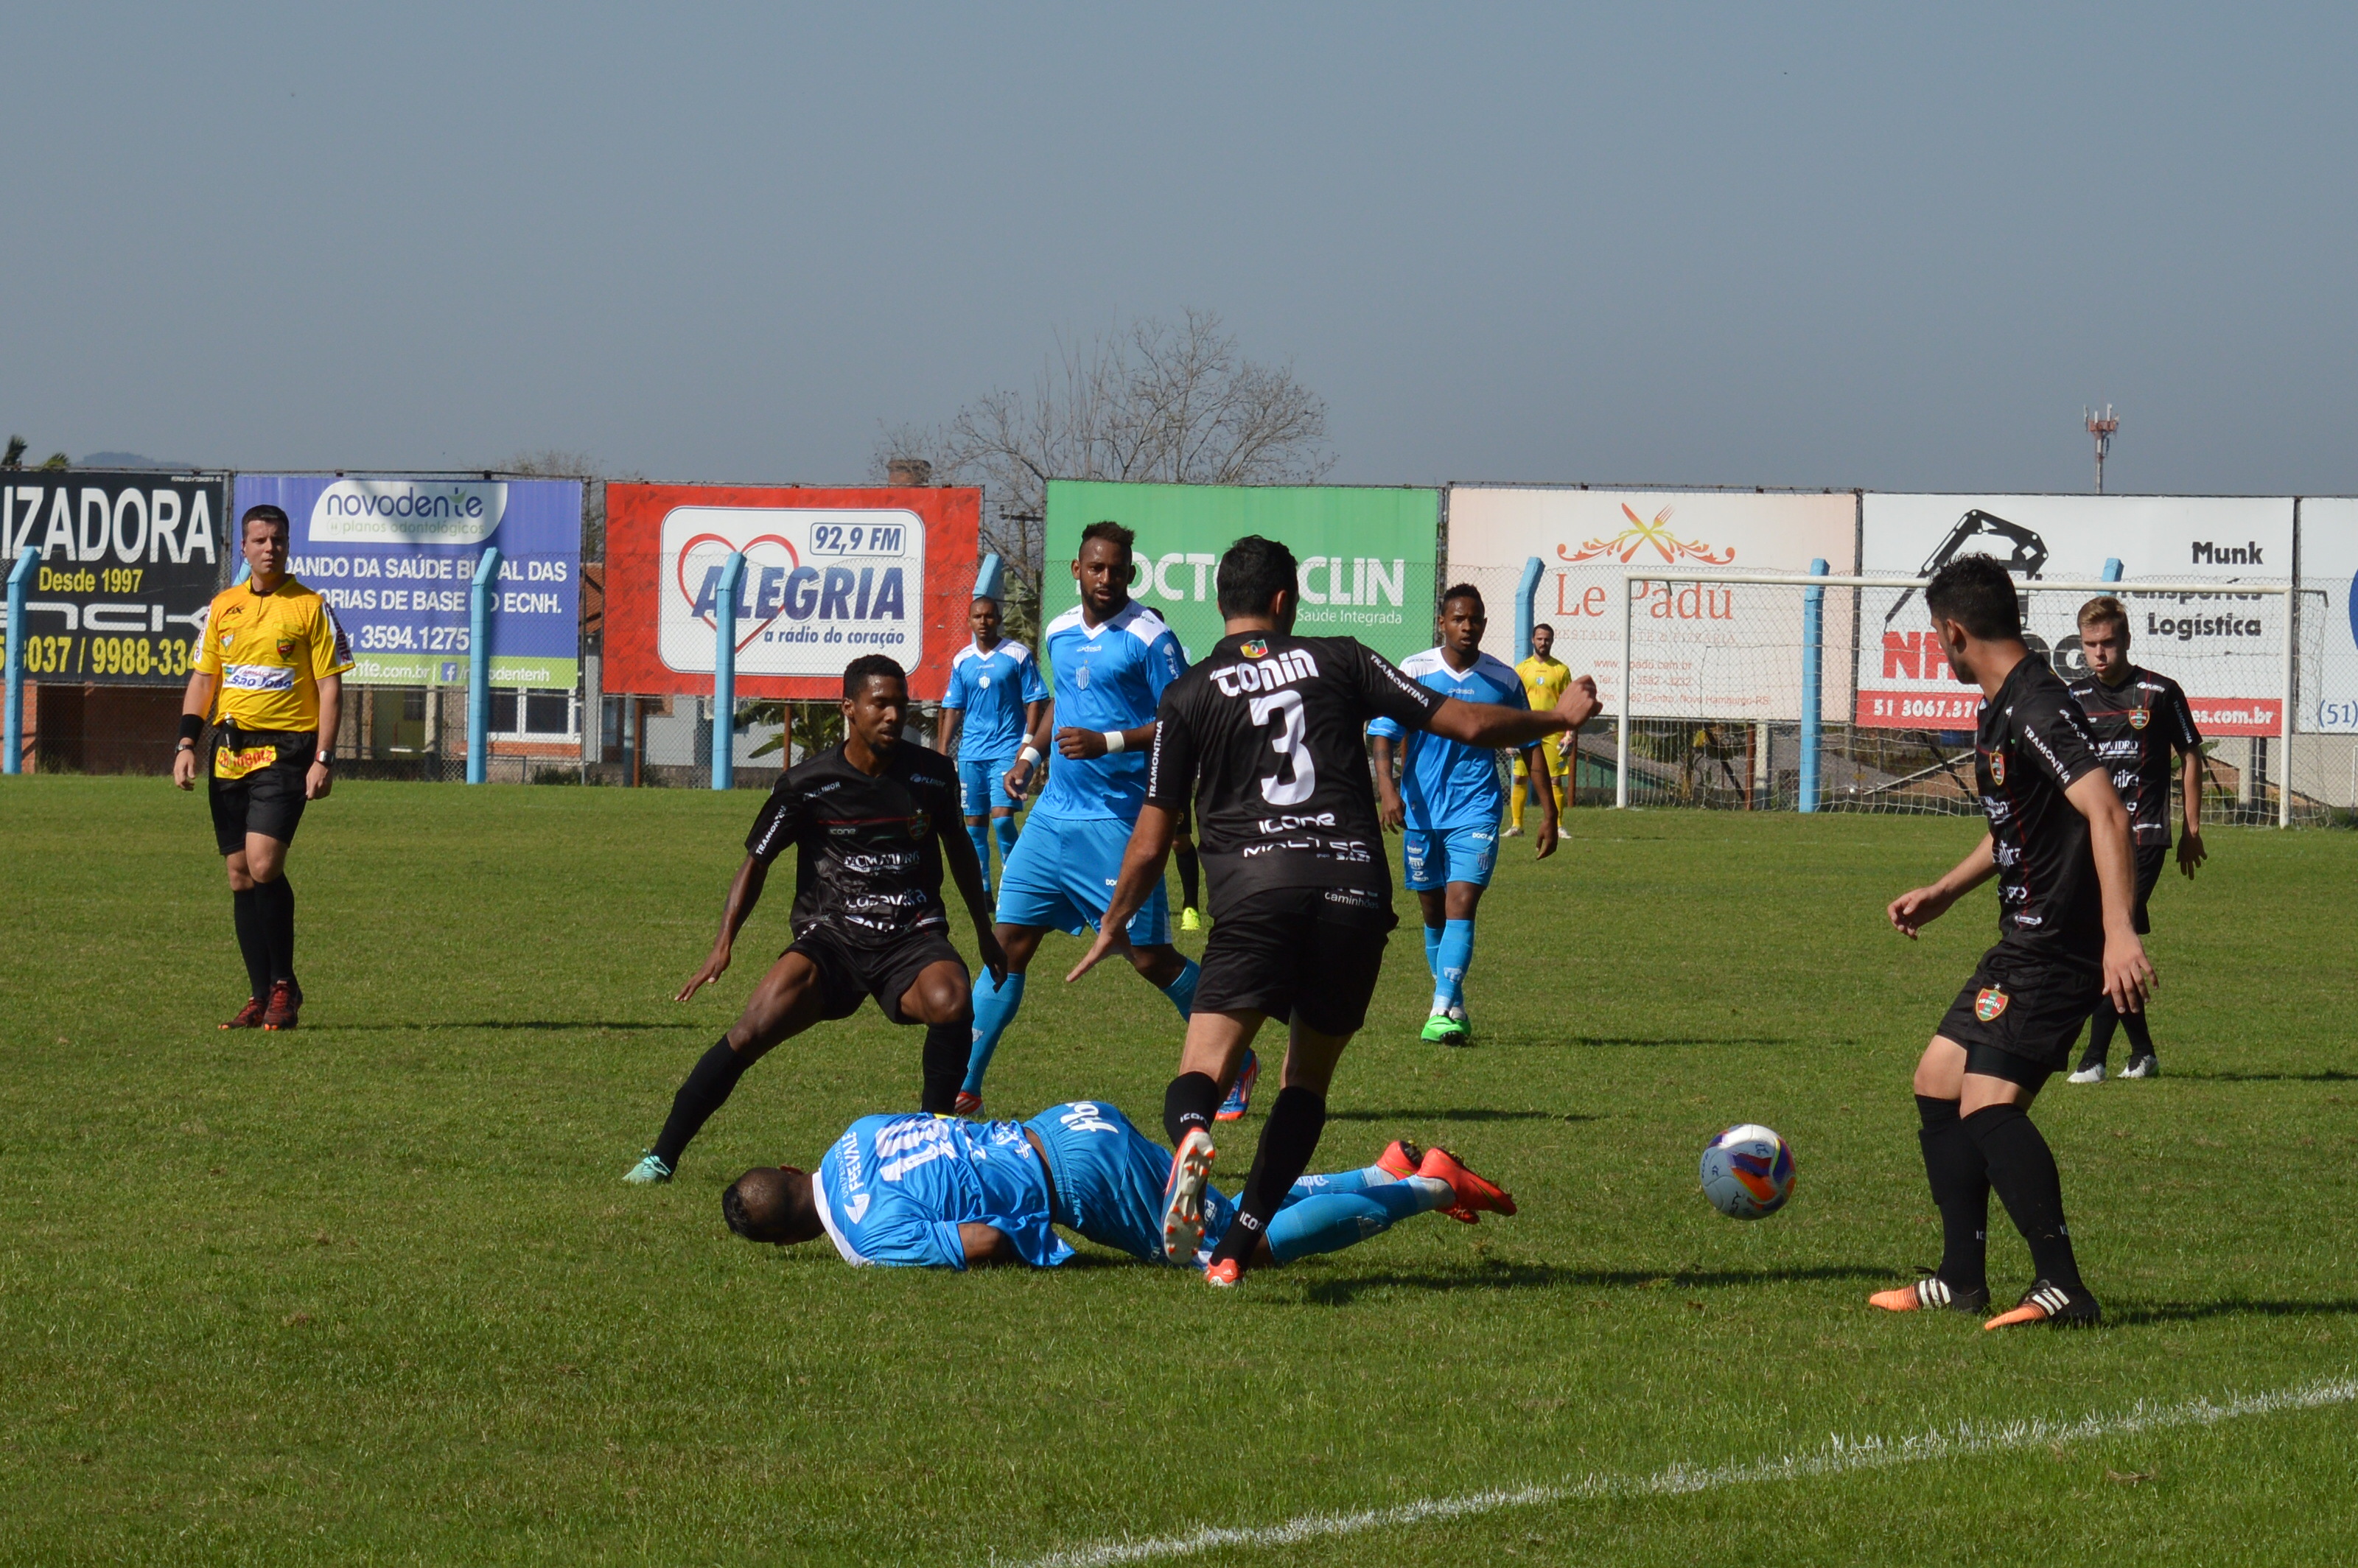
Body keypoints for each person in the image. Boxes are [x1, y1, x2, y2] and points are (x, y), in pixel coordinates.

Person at [1069, 535, 1599, 1287]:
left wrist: (1114, 922)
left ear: (1222, 602)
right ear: (1284, 601)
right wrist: (1558, 717)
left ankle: (1192, 1134)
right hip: (1351, 893)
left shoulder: (1186, 694)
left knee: (1205, 1067)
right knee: (1304, 1083)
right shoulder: (1341, 658)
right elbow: (1470, 724)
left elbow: (1153, 837)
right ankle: (1235, 1247)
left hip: (1255, 894)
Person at [1872, 556, 2152, 1329]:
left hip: (2059, 944)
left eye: (1937, 637)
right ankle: (1960, 1280)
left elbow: (2107, 812)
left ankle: (2062, 1286)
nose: (1939, 649)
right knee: (1937, 1080)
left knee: (1988, 1104)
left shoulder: (2035, 707)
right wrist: (1944, 890)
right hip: (2021, 937)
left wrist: (2119, 932)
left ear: (1953, 631)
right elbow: (2015, 828)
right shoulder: (2002, 707)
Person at [623, 656, 1005, 1184]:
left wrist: (984, 932)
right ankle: (661, 1157)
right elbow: (756, 862)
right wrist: (723, 942)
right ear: (850, 708)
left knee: (953, 1000)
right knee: (751, 1029)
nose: (893, 715)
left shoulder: (933, 774)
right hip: (831, 937)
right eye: (880, 704)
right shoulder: (808, 783)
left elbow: (959, 848)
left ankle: (934, 1146)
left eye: (901, 704)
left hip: (910, 935)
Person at [958, 522, 1206, 1120]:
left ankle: (1236, 1056)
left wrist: (1109, 741)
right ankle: (963, 1086)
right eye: (1096, 567)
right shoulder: (1059, 631)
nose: (1106, 578)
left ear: (1131, 573)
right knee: (1006, 945)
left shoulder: (1150, 638)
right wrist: (1027, 756)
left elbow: (1183, 722)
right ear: (1077, 569)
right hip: (1051, 818)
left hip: (1119, 821)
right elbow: (1061, 707)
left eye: (1117, 569)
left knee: (1150, 958)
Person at [718, 1097, 1516, 1270]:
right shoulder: (851, 1133)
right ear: (791, 1169)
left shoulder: (864, 1238)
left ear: (790, 1240)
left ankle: (1432, 1188)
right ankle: (1382, 1170)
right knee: (1228, 1213)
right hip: (1066, 1122)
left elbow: (984, 1240)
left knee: (1241, 1249)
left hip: (1076, 1179)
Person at [172, 504, 354, 1032]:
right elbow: (203, 680)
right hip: (230, 752)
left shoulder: (311, 607)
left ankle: (284, 985)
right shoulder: (223, 607)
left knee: (264, 863)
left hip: (286, 751)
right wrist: (187, 743)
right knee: (239, 875)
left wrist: (324, 757)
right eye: (259, 540)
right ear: (244, 548)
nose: (269, 548)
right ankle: (259, 995)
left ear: (288, 545)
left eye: (277, 539)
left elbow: (330, 689)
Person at [1368, 584, 1557, 1045]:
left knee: (1461, 904)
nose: (1467, 627)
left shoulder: (1503, 680)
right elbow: (1384, 733)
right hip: (1421, 809)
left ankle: (1438, 1010)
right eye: (1458, 619)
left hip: (1476, 807)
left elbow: (1531, 745)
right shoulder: (1415, 670)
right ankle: (1454, 1003)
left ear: (1485, 624)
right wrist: (1387, 789)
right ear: (1442, 623)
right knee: (1432, 911)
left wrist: (1549, 813)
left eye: (1474, 619)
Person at [2065, 595, 2205, 1083]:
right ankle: (2143, 1053)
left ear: (2125, 640)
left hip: (2144, 838)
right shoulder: (2074, 699)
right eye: (2090, 644)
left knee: (2110, 935)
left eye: (2108, 642)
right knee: (2107, 939)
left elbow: (2191, 755)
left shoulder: (2159, 692)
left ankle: (2094, 1058)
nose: (2099, 653)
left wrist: (2191, 830)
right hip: (2093, 839)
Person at [937, 595, 1049, 900]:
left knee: (1002, 820)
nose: (983, 622)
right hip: (972, 753)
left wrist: (1027, 741)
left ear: (998, 619)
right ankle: (983, 888)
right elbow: (954, 708)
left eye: (989, 616)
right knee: (974, 826)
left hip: (1007, 750)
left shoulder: (1017, 654)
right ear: (969, 622)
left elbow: (1034, 700)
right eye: (978, 617)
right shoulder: (962, 660)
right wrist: (942, 750)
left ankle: (1012, 887)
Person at [1508, 623, 1575, 836]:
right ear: (1532, 640)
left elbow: (1569, 704)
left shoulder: (1561, 670)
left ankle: (1558, 826)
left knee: (1555, 779)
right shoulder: (1521, 669)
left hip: (1552, 730)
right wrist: (1510, 735)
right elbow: (1512, 703)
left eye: (1547, 639)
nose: (1543, 642)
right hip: (1526, 730)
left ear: (1552, 641)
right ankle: (1517, 826)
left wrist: (1569, 734)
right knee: (1520, 778)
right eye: (1539, 639)